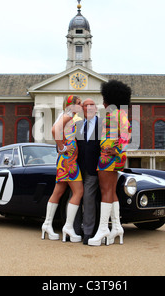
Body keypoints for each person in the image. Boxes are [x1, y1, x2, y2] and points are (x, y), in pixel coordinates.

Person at [88, 80, 132, 246]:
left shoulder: (114, 114)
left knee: (105, 191)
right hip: (113, 158)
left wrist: (118, 149)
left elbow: (127, 133)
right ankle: (117, 228)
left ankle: (103, 229)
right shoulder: (121, 113)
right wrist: (120, 151)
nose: (103, 102)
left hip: (107, 158)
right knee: (111, 192)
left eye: (104, 99)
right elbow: (126, 133)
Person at [41, 95, 84, 243]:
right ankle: (68, 227)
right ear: (71, 105)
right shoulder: (67, 115)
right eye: (78, 103)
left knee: (58, 192)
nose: (81, 105)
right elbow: (55, 129)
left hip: (64, 160)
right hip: (69, 161)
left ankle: (47, 225)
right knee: (78, 192)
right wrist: (62, 147)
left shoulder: (66, 115)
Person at [75, 98, 103, 244]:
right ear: (83, 109)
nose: (89, 108)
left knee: (88, 198)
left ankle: (88, 233)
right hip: (77, 169)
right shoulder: (78, 125)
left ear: (96, 108)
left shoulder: (103, 125)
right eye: (86, 106)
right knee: (75, 199)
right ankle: (75, 231)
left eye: (92, 105)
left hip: (94, 169)